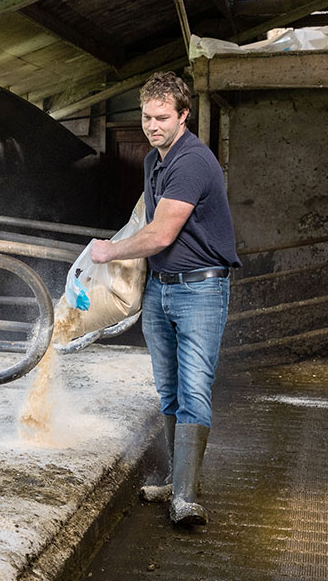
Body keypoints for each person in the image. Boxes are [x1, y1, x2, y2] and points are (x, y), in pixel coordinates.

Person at [90, 71, 240, 527]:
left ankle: (188, 498)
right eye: (146, 116)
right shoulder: (154, 162)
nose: (152, 125)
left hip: (200, 289)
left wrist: (110, 251)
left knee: (194, 388)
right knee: (169, 389)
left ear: (184, 115)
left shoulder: (192, 161)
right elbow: (144, 220)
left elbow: (162, 231)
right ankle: (177, 483)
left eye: (162, 117)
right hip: (163, 288)